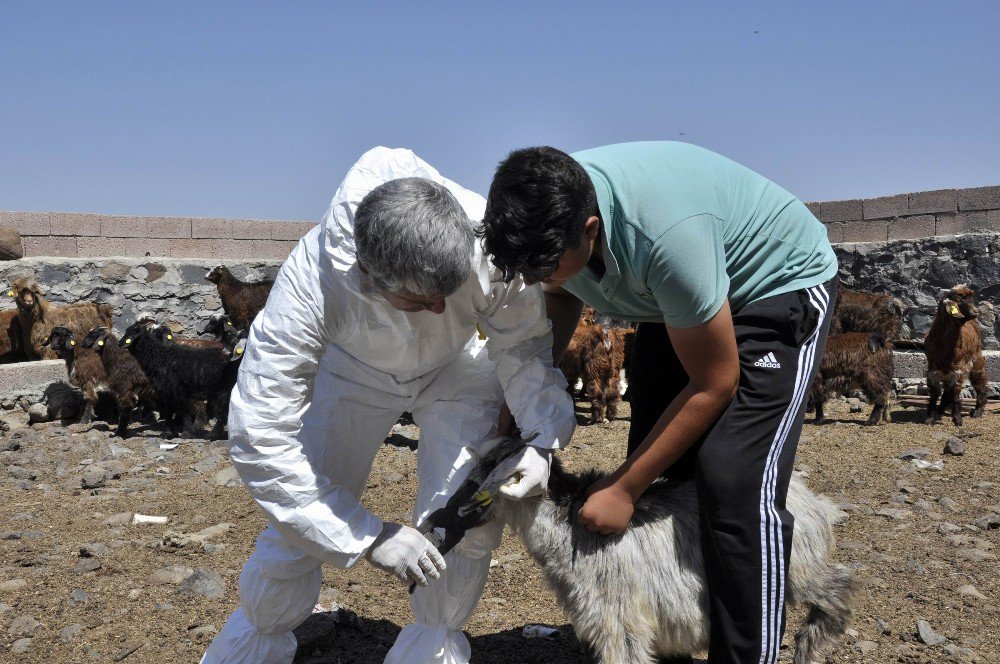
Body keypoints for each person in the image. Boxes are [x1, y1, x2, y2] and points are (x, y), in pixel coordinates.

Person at [202, 147, 575, 664]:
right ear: (366, 275)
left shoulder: (487, 244)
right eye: (423, 301)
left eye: (449, 292)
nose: (441, 308)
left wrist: (542, 437)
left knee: (461, 521)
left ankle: (433, 646)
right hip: (352, 370)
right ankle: (258, 642)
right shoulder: (313, 286)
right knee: (303, 511)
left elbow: (522, 346)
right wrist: (367, 536)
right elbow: (260, 436)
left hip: (458, 367)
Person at [480, 141, 838, 664]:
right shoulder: (548, 213)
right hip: (674, 300)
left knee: (732, 478)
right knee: (658, 456)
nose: (535, 278)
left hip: (772, 289)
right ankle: (674, 623)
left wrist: (624, 488)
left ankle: (744, 651)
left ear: (590, 230)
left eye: (545, 264)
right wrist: (531, 383)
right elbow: (560, 293)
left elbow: (715, 382)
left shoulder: (667, 238)